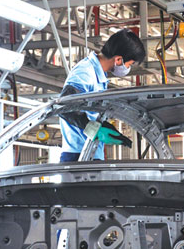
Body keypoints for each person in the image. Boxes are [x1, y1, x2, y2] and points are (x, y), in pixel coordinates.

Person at [59, 29, 146, 162]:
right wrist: (95, 130)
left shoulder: (98, 75)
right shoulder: (85, 72)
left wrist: (105, 127)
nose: (128, 68)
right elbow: (65, 106)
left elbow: (89, 112)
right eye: (130, 64)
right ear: (118, 59)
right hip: (77, 155)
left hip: (91, 153)